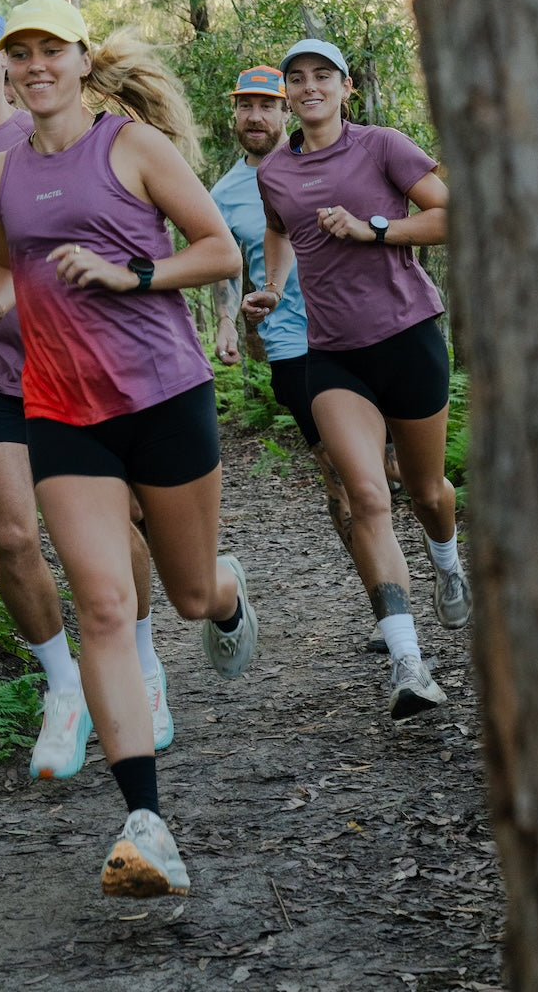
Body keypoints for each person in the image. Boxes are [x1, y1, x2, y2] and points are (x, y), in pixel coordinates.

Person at [0, 0, 254, 897]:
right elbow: (6, 269)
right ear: (8, 71)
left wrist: (133, 275)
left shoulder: (133, 146)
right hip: (60, 411)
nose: (35, 65)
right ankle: (145, 825)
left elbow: (220, 251)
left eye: (52, 49)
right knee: (107, 610)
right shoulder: (0, 175)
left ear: (83, 60)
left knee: (188, 595)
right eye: (21, 53)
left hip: (164, 396)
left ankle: (229, 592)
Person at [0, 5, 170, 781]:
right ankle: (65, 689)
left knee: (118, 526)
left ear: (6, 60)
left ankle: (143, 666)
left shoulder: (51, 131)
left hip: (72, 362)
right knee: (13, 535)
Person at [243, 38, 471, 721]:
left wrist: (374, 228)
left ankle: (447, 560)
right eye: (297, 78)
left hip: (407, 338)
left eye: (323, 75)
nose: (309, 86)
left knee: (426, 491)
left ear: (346, 88)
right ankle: (408, 663)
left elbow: (448, 216)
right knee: (367, 496)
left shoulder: (382, 146)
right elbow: (279, 229)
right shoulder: (275, 171)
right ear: (288, 95)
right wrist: (273, 285)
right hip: (334, 354)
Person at [211, 64, 401, 652]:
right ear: (234, 114)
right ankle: (389, 613)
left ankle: (442, 556)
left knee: (400, 473)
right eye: (245, 105)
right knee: (342, 476)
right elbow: (225, 265)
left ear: (286, 109)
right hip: (297, 345)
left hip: (373, 332)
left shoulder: (338, 156)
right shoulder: (224, 193)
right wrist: (226, 321)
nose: (255, 116)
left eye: (267, 104)